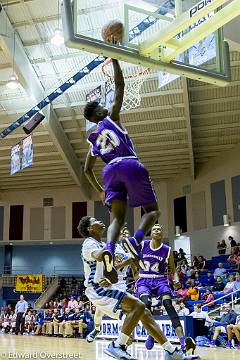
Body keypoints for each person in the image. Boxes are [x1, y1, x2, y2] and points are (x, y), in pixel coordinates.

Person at [79, 216, 199, 360]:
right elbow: (99, 256)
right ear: (89, 228)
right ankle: (117, 344)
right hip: (99, 289)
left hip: (113, 286)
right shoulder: (89, 243)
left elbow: (117, 264)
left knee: (144, 312)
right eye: (95, 221)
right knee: (139, 306)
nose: (100, 221)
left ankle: (171, 352)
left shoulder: (109, 245)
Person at [83, 57, 160, 283]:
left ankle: (109, 248)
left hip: (109, 173)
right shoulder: (112, 118)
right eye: (100, 107)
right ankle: (135, 240)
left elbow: (87, 170)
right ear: (99, 114)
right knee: (152, 212)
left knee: (117, 217)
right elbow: (120, 86)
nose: (104, 106)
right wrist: (115, 58)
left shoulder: (94, 139)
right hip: (128, 163)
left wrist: (100, 191)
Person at [134, 224, 196, 354]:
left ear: (162, 234)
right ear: (151, 233)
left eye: (159, 229)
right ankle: (152, 335)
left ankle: (183, 341)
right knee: (145, 304)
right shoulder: (143, 245)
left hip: (160, 280)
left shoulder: (167, 249)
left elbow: (172, 270)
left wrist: (176, 280)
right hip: (144, 280)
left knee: (168, 304)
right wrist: (135, 274)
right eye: (154, 229)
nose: (157, 230)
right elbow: (133, 260)